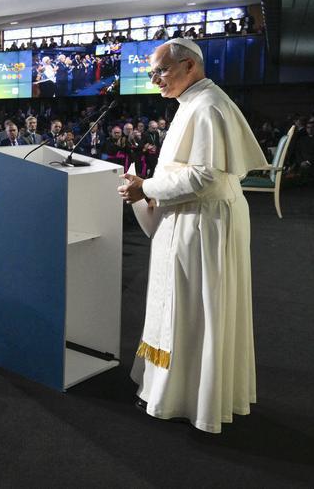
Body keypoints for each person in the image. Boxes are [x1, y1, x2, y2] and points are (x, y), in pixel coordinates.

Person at [118, 38, 267, 433]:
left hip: (203, 222)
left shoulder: (208, 106)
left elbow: (204, 176)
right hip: (198, 217)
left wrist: (146, 188)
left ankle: (186, 399)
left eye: (161, 71)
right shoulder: (196, 102)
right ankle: (176, 391)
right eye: (152, 72)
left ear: (189, 67)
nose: (155, 80)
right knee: (190, 308)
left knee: (192, 307)